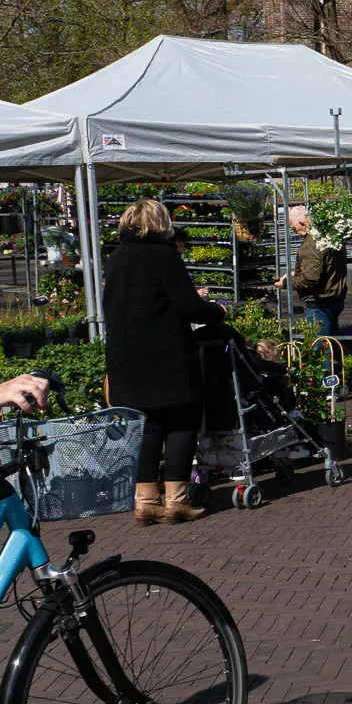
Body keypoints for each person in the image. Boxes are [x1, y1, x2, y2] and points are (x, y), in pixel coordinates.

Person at [102, 198, 229, 522]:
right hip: (166, 355)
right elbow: (188, 306)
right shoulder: (165, 256)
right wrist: (216, 310)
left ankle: (145, 501)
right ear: (161, 223)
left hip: (125, 357)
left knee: (146, 427)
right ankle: (177, 500)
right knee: (182, 422)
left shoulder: (116, 258)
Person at [273, 204, 348, 337]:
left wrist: (286, 283)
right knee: (332, 342)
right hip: (334, 296)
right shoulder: (329, 236)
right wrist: (295, 273)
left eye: (294, 228)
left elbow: (310, 279)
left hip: (320, 302)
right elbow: (324, 268)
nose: (294, 231)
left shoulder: (312, 243)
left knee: (320, 348)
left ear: (302, 223)